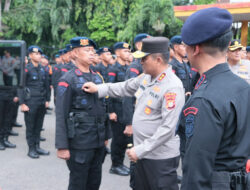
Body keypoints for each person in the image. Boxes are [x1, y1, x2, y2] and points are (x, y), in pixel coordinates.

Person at [83, 36, 185, 190]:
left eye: (144, 58)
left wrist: (140, 150)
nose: (140, 62)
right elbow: (125, 87)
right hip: (141, 152)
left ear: (158, 59)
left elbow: (168, 129)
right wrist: (99, 89)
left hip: (159, 158)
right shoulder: (147, 77)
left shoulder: (172, 86)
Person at [177, 7, 250, 190]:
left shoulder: (203, 100)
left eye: (186, 46)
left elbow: (196, 172)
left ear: (196, 48)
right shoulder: (242, 86)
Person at [55, 37, 109, 190]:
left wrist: (106, 135)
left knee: (94, 182)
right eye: (87, 51)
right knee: (78, 183)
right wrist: (62, 146)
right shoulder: (68, 79)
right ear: (75, 54)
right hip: (79, 142)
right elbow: (61, 114)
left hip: (97, 140)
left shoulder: (97, 77)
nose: (92, 54)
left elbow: (104, 107)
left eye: (93, 51)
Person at [123, 33, 150, 189]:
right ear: (139, 45)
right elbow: (127, 96)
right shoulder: (135, 67)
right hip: (136, 118)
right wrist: (129, 122)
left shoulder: (147, 64)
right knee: (136, 155)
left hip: (146, 118)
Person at [18, 45, 50, 159]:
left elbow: (46, 86)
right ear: (30, 55)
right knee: (31, 127)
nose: (39, 56)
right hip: (30, 102)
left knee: (38, 125)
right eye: (36, 54)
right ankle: (31, 149)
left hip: (41, 102)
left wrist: (47, 100)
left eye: (40, 54)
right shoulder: (26, 69)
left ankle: (37, 147)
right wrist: (22, 103)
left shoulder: (43, 69)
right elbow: (21, 87)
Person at [106, 42, 131, 176]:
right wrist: (110, 111)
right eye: (125, 51)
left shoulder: (128, 68)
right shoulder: (113, 69)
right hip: (117, 107)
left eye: (129, 51)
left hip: (126, 107)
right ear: (118, 53)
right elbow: (108, 90)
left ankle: (120, 163)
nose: (128, 53)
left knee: (125, 138)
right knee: (118, 138)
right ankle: (115, 165)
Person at [169, 35, 195, 100]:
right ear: (176, 47)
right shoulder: (172, 65)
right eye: (183, 46)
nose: (186, 49)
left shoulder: (185, 65)